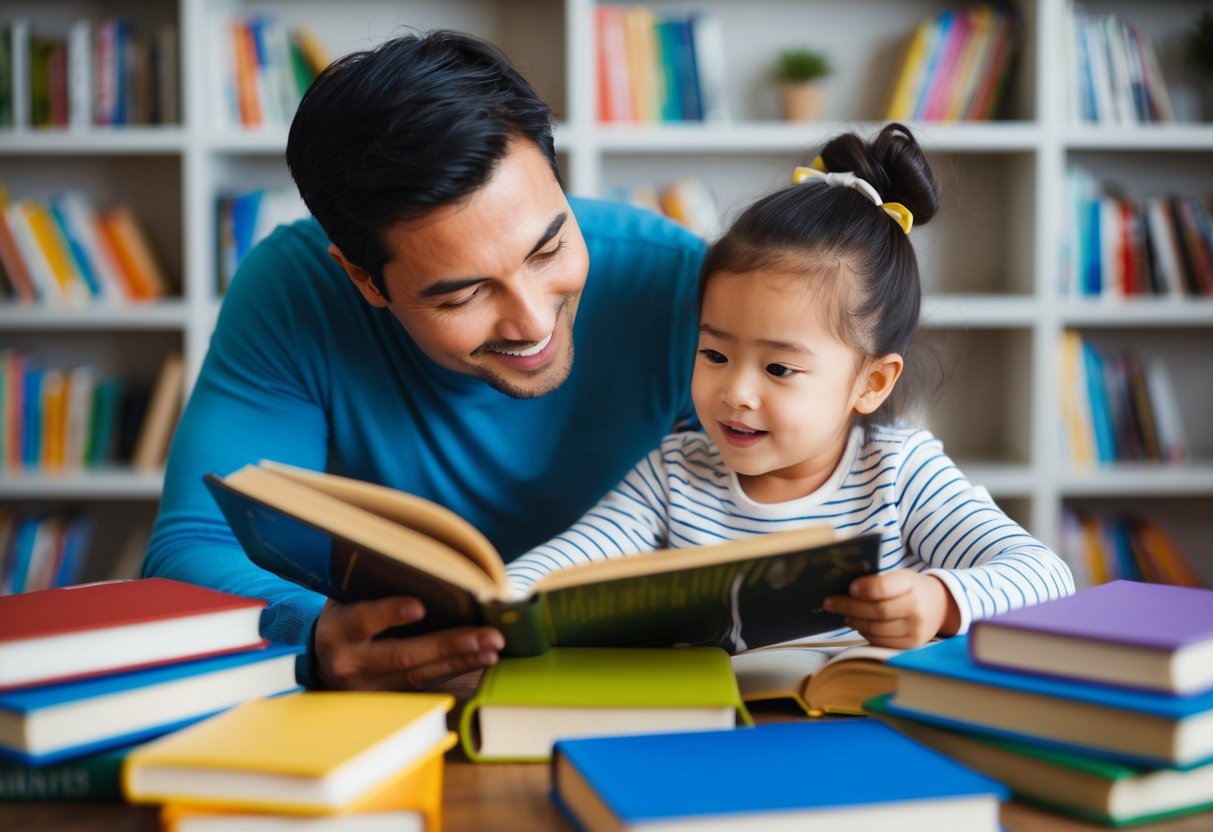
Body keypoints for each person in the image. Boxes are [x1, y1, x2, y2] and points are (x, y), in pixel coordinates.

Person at [141, 31, 706, 690]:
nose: (530, 322)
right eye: (463, 294)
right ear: (363, 280)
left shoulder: (680, 281)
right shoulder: (290, 290)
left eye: (547, 250)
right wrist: (317, 633)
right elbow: (191, 547)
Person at [506, 124, 1075, 649]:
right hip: (717, 737)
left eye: (779, 369)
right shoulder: (674, 475)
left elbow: (1046, 576)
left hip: (860, 732)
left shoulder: (899, 472)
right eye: (714, 353)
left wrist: (939, 601)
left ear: (871, 382)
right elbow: (566, 564)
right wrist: (494, 599)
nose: (736, 392)